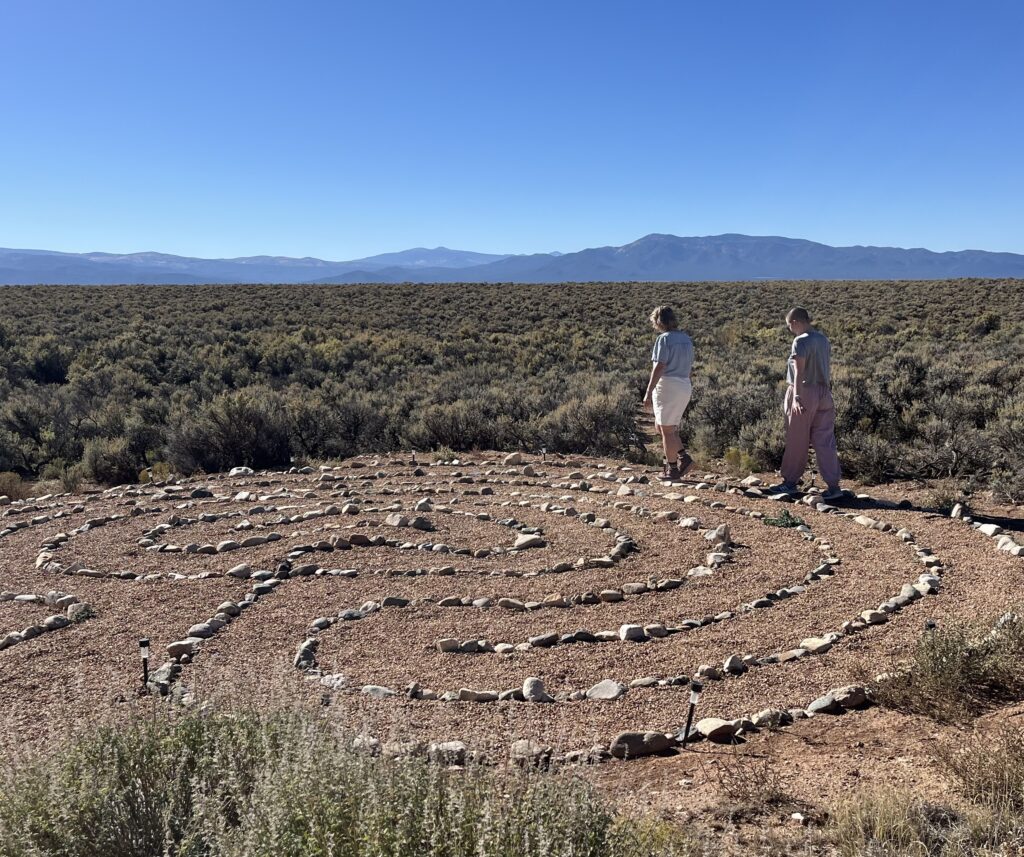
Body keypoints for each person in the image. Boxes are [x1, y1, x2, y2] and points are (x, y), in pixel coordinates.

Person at [770, 306, 843, 500]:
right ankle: (834, 486)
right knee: (825, 441)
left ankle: (790, 482)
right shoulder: (823, 339)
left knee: (797, 440)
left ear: (795, 322)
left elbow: (799, 371)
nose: (790, 329)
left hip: (804, 392)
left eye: (789, 326)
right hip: (824, 393)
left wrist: (796, 397)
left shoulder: (800, 341)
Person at [643, 306, 694, 481]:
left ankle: (672, 470)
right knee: (664, 427)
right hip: (684, 385)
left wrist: (649, 391)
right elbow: (689, 367)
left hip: (668, 386)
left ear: (658, 321)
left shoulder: (664, 340)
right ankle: (683, 457)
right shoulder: (686, 339)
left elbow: (659, 366)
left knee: (666, 430)